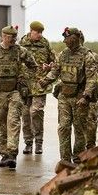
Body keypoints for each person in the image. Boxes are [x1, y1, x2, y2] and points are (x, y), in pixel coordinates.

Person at [0, 25, 37, 169]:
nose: (12, 40)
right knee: (2, 123)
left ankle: (12, 155)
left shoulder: (20, 51)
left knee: (13, 121)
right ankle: (4, 154)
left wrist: (24, 78)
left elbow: (33, 66)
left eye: (14, 38)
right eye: (9, 37)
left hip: (15, 92)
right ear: (3, 36)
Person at [38, 27, 97, 163]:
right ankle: (64, 159)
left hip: (79, 97)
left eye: (67, 38)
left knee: (79, 128)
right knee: (64, 127)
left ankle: (78, 157)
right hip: (64, 96)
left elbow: (91, 79)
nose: (65, 41)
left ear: (75, 38)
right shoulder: (63, 54)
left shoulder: (87, 55)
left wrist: (85, 96)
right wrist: (45, 80)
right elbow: (55, 71)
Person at [19, 20, 56, 155]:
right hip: (25, 85)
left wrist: (50, 66)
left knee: (36, 112)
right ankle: (28, 143)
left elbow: (55, 61)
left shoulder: (45, 44)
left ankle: (39, 143)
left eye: (41, 33)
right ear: (31, 31)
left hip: (40, 84)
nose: (40, 35)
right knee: (25, 114)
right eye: (37, 32)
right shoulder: (21, 44)